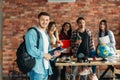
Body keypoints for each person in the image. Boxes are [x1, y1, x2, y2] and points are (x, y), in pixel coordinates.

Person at [25, 12, 61, 80]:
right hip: (36, 69)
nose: (45, 22)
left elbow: (47, 51)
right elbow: (31, 49)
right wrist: (44, 55)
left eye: (47, 20)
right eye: (42, 19)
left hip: (46, 68)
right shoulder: (32, 32)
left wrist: (54, 54)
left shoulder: (45, 34)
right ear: (38, 20)